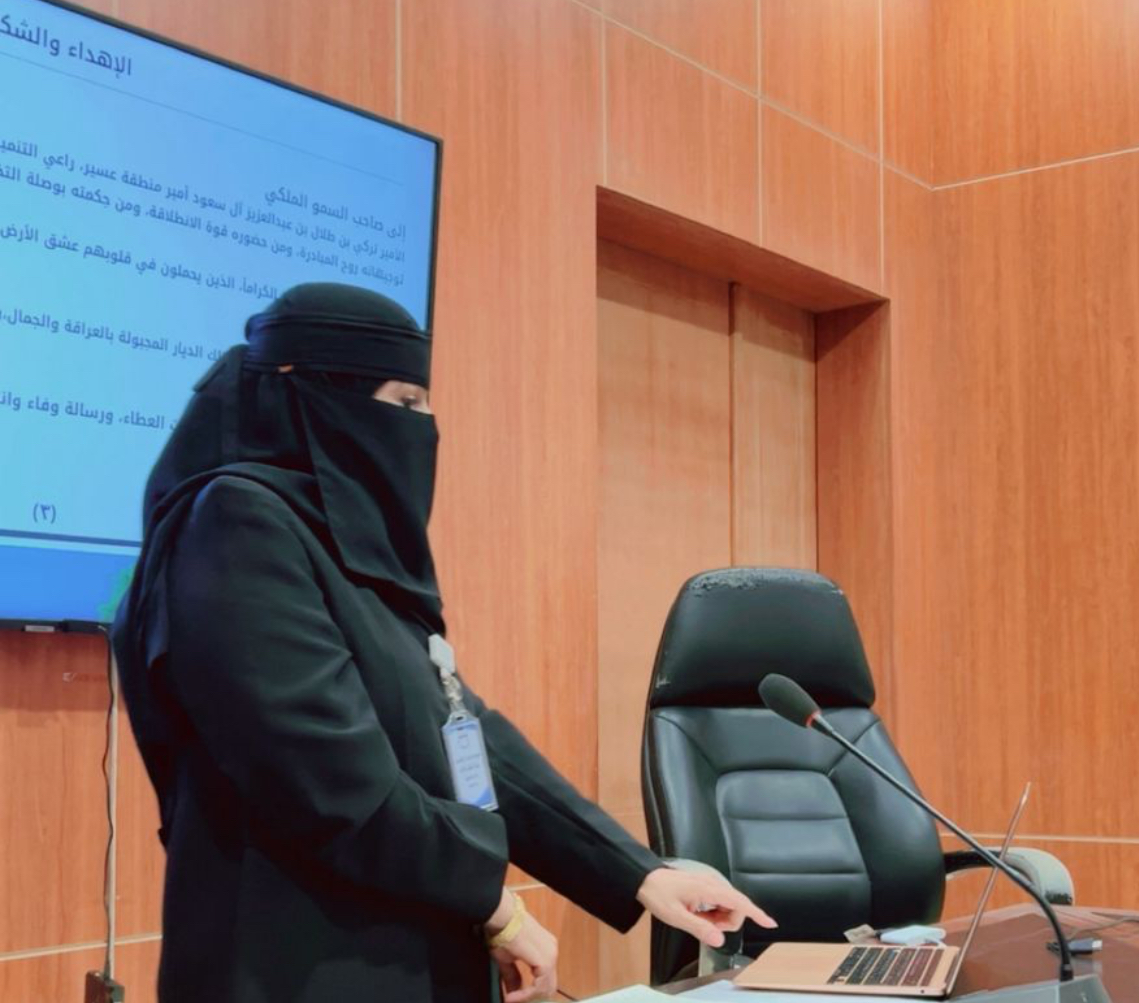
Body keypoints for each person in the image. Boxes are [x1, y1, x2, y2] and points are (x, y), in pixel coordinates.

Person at [113, 283, 775, 1003]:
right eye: (403, 402)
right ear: (320, 401)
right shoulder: (237, 524)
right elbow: (327, 782)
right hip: (290, 967)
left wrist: (639, 871)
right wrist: (496, 904)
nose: (424, 427)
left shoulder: (344, 547)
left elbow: (464, 737)